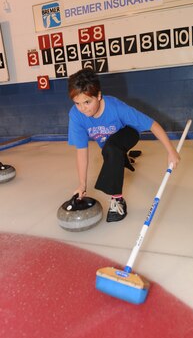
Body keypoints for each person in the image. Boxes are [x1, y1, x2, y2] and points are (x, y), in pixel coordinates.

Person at [67, 68, 180, 222]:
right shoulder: (76, 115)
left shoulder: (117, 108)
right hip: (109, 143)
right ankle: (122, 158)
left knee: (111, 148)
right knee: (110, 149)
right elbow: (81, 151)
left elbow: (152, 124)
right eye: (77, 103)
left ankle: (117, 200)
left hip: (129, 132)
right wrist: (82, 185)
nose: (83, 108)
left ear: (98, 95)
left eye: (87, 102)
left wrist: (171, 151)